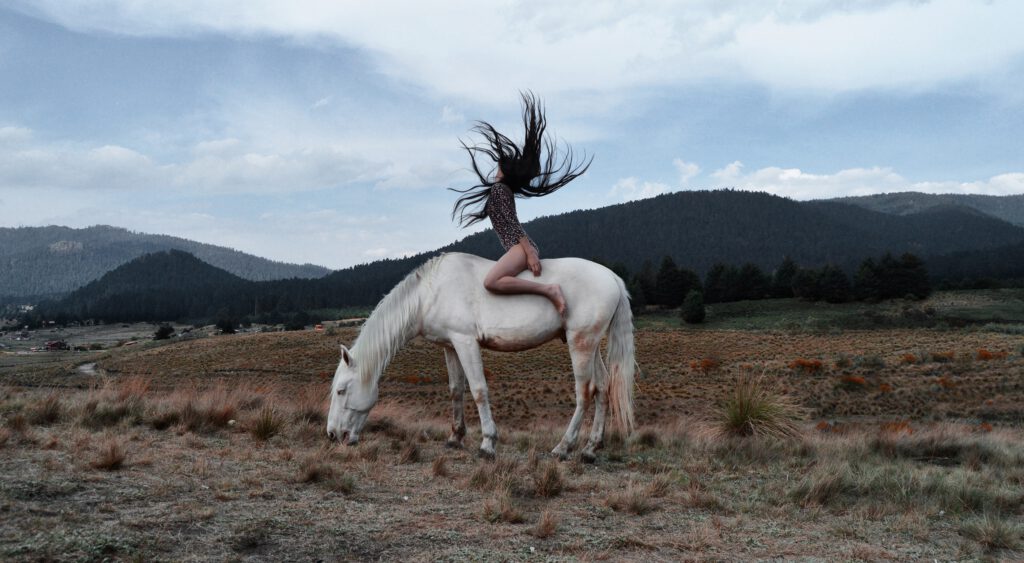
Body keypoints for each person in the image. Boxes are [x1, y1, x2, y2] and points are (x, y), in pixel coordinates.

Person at [450, 92, 591, 315]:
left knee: (491, 282)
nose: (495, 168)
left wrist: (530, 253)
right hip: (518, 247)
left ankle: (549, 291)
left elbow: (513, 223)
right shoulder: (502, 190)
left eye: (498, 166)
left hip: (519, 248)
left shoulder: (499, 189)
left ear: (503, 171)